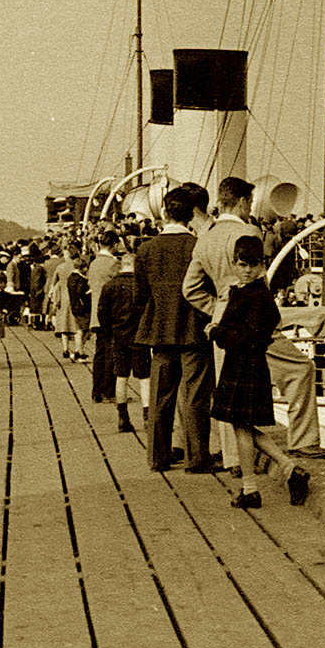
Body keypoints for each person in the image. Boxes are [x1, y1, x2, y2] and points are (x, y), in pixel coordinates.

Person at [183, 177, 325, 471]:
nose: (250, 207)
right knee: (300, 369)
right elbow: (257, 281)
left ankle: (235, 459)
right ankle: (303, 441)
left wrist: (218, 311)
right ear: (239, 202)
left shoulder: (206, 238)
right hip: (253, 318)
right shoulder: (248, 231)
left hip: (224, 326)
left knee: (229, 388)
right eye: (249, 202)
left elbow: (190, 288)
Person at [133, 188, 214, 473]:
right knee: (195, 397)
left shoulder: (145, 249)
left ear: (164, 212)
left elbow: (140, 295)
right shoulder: (200, 246)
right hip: (194, 330)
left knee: (160, 397)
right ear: (191, 214)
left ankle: (157, 457)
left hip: (160, 331)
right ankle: (197, 458)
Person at [208, 236, 289, 508]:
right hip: (246, 364)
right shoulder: (251, 292)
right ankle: (288, 468)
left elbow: (247, 336)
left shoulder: (254, 295)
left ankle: (250, 489)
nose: (246, 270)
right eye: (242, 264)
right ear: (234, 264)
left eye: (252, 265)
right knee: (244, 426)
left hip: (245, 364)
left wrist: (217, 331)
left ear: (262, 265)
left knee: (241, 427)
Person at [97, 252, 151, 434]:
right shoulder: (140, 286)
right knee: (144, 378)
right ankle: (147, 418)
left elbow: (102, 313)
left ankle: (123, 418)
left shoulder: (109, 286)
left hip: (118, 337)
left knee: (121, 377)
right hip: (139, 337)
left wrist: (109, 331)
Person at [87, 230, 122, 401]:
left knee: (99, 354)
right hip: (110, 314)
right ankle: (109, 391)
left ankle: (97, 391)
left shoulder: (93, 263)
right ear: (114, 244)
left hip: (96, 314)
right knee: (111, 354)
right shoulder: (113, 264)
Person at [67, 255, 92, 362]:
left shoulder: (70, 278)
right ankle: (79, 352)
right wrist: (90, 291)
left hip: (74, 306)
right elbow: (81, 292)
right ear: (82, 268)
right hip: (83, 307)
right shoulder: (80, 280)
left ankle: (78, 352)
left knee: (79, 330)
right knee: (85, 330)